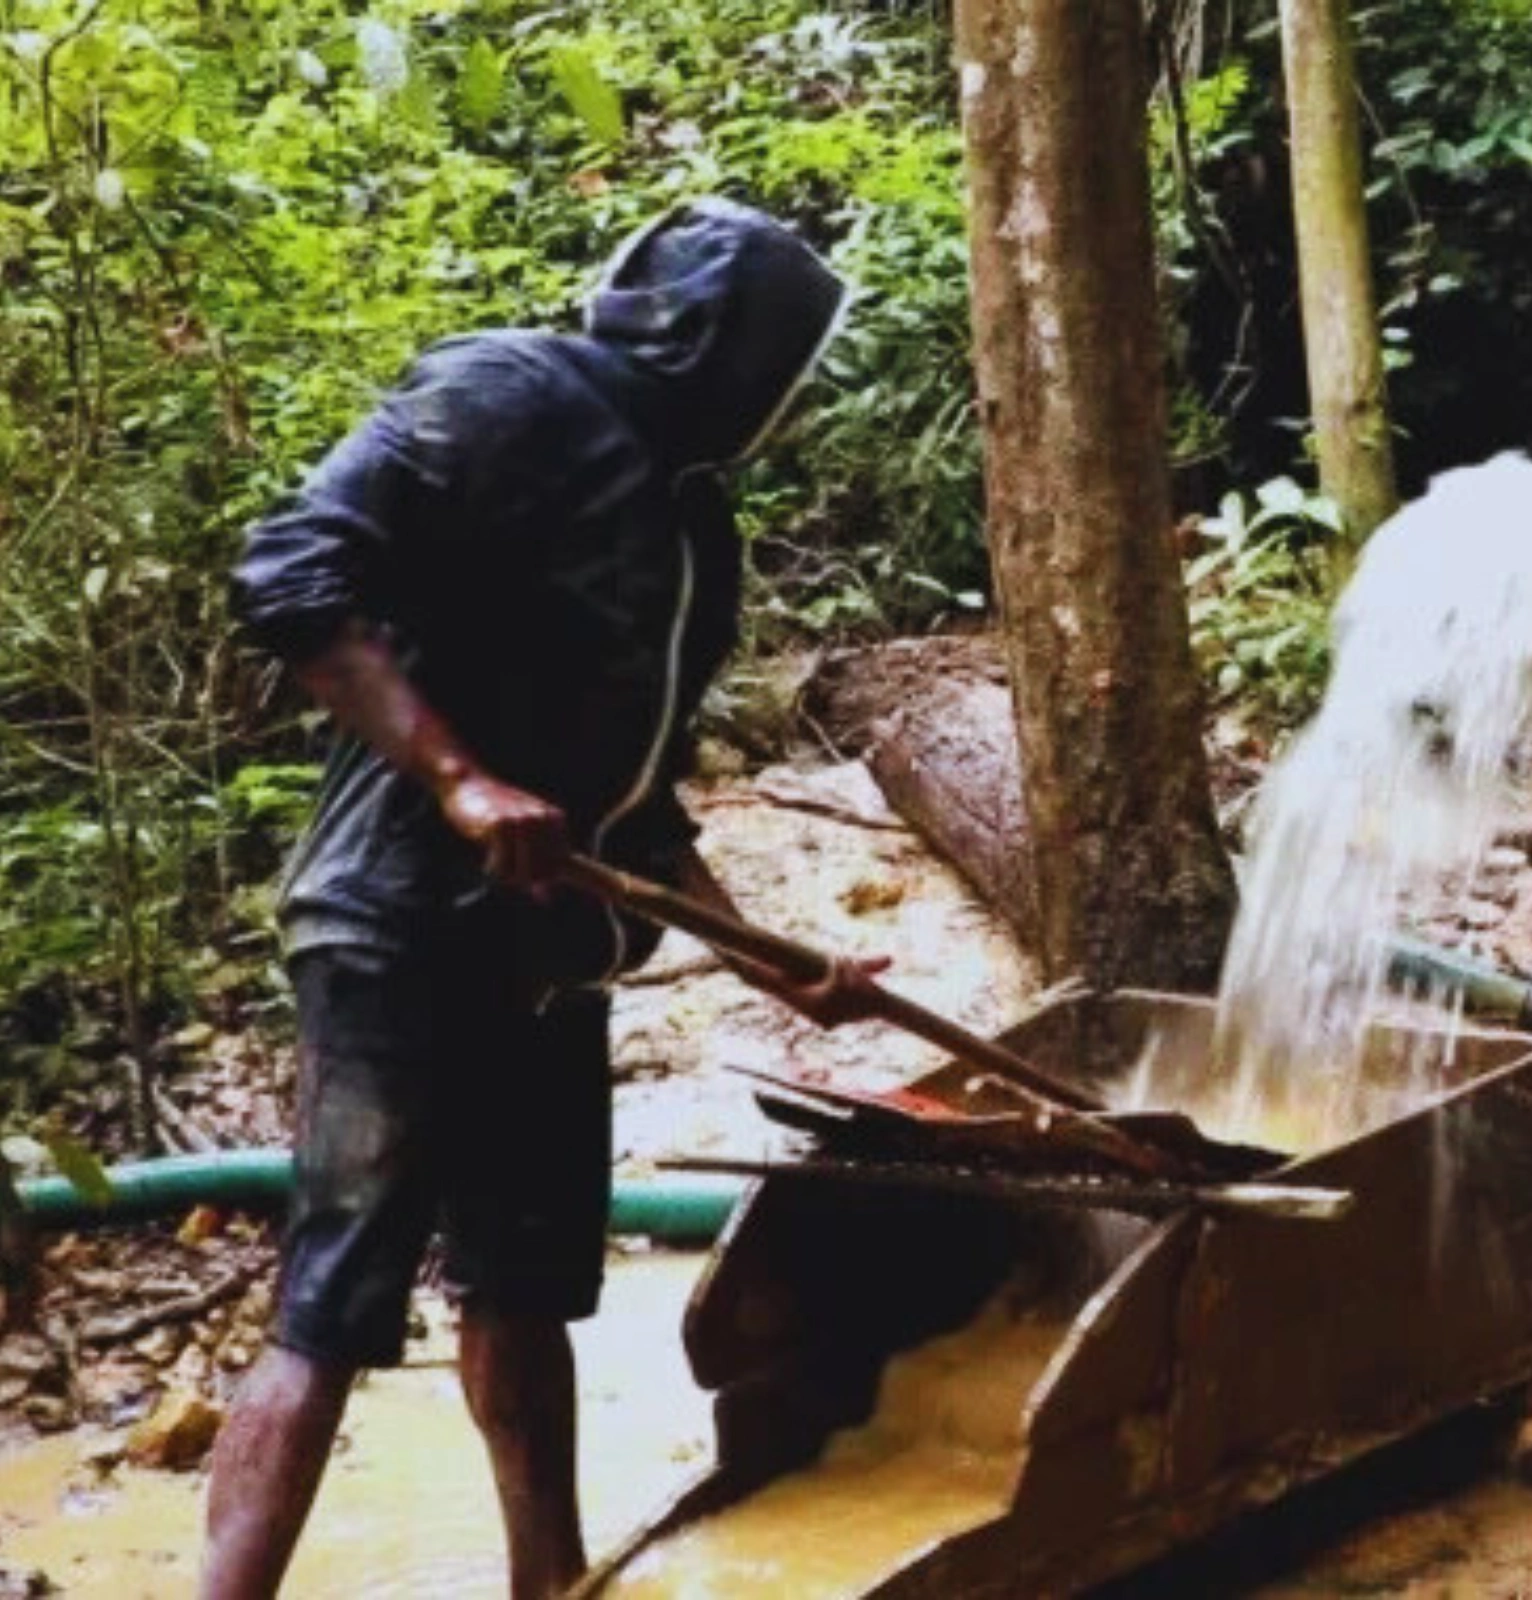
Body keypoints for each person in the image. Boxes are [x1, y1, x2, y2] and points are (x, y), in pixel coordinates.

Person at [206, 199, 883, 1600]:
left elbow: (638, 799)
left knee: (526, 1292)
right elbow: (288, 570)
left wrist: (780, 962)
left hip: (548, 949)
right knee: (335, 1302)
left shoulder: (695, 519)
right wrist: (457, 780)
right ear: (713, 339)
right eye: (785, 360)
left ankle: (552, 1585)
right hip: (397, 920)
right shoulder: (505, 393)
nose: (792, 398)